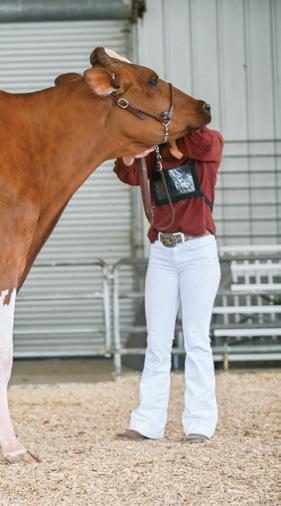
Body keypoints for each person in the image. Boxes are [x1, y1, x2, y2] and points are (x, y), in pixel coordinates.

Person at [113, 127, 224, 443]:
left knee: (197, 338)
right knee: (157, 340)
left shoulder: (205, 149)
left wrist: (169, 132)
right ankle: (147, 422)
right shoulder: (154, 156)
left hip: (197, 249)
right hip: (162, 251)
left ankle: (200, 423)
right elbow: (127, 172)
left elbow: (205, 141)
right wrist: (131, 152)